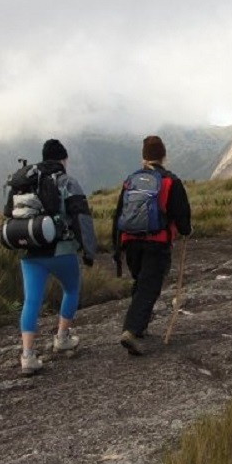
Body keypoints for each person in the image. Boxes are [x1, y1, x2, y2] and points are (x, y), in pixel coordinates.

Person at [13, 138, 97, 375]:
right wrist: (88, 250)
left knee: (31, 301)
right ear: (63, 159)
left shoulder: (28, 182)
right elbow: (81, 217)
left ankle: (27, 355)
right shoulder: (67, 182)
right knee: (71, 290)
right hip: (61, 251)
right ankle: (62, 337)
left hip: (30, 251)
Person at [112, 136, 192, 356]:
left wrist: (117, 247)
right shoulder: (170, 181)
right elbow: (182, 214)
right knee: (149, 286)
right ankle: (131, 330)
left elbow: (119, 214)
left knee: (141, 282)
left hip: (130, 241)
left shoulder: (131, 181)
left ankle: (140, 327)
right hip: (156, 242)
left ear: (144, 157)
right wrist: (185, 230)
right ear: (164, 156)